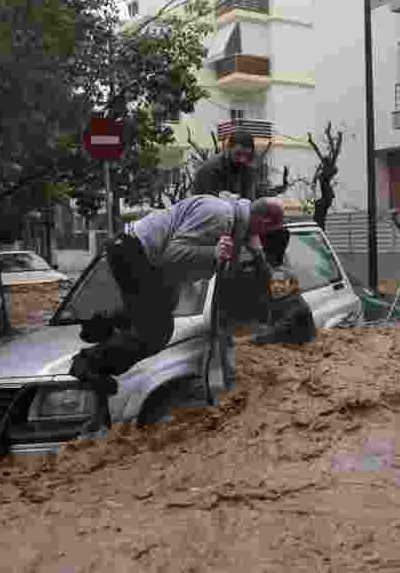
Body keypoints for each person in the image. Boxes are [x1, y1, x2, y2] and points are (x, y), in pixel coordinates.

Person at [68, 194, 285, 435]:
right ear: (263, 222)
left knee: (156, 315)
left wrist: (255, 251)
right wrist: (212, 253)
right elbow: (172, 254)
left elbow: (251, 272)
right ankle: (89, 363)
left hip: (143, 259)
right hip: (133, 250)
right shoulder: (221, 216)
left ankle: (101, 323)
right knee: (157, 331)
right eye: (266, 232)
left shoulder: (235, 225)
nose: (261, 239)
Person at [193, 131, 261, 200]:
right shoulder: (210, 169)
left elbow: (249, 199)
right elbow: (212, 201)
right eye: (238, 154)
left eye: (247, 155)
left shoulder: (248, 169)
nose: (242, 159)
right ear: (228, 148)